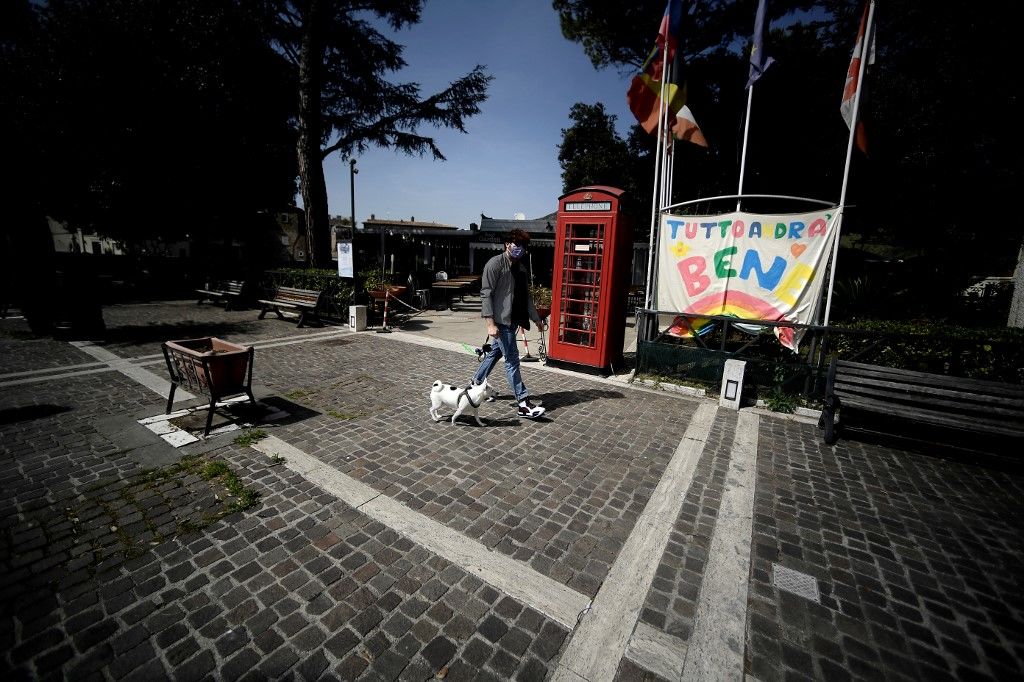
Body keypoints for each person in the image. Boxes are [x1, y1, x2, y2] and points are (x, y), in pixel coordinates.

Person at [471, 229, 547, 419]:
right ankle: (523, 403)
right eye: (516, 245)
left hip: (514, 321)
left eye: (522, 246)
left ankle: (476, 382)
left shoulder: (521, 268)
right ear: (507, 244)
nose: (519, 249)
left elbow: (526, 297)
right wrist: (490, 323)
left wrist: (536, 318)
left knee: (495, 353)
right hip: (500, 321)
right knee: (512, 359)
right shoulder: (494, 264)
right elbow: (486, 293)